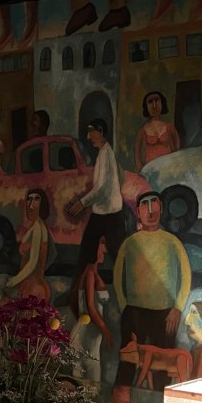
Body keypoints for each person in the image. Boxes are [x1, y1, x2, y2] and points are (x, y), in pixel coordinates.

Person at [110, 191, 191, 403]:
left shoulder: (172, 241)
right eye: (145, 205)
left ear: (161, 208)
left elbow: (186, 277)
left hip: (165, 315)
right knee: (127, 361)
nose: (151, 210)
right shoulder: (130, 242)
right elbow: (117, 277)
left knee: (162, 367)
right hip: (134, 312)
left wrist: (178, 308)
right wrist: (125, 307)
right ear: (138, 211)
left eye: (154, 204)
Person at [69, 119, 126, 292]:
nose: (88, 136)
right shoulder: (105, 153)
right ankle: (75, 293)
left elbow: (101, 188)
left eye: (91, 131)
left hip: (110, 215)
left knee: (119, 258)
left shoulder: (106, 154)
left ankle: (129, 294)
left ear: (100, 131)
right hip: (103, 213)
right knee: (87, 255)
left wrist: (82, 203)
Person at [69, 236, 113, 382]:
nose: (105, 250)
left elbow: (76, 304)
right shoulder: (89, 273)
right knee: (90, 380)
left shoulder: (92, 272)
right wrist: (106, 330)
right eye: (102, 243)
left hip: (89, 332)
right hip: (86, 334)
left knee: (89, 380)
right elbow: (90, 306)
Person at [6, 189, 53, 301]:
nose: (31, 206)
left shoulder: (37, 227)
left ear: (42, 205)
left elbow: (33, 261)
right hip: (32, 285)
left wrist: (14, 280)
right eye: (29, 200)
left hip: (33, 287)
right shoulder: (37, 226)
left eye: (36, 200)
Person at [134, 90, 180, 169]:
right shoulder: (142, 131)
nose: (154, 105)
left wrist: (175, 166)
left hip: (168, 169)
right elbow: (137, 156)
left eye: (157, 100)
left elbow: (177, 150)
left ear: (162, 103)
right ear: (146, 106)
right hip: (151, 171)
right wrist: (142, 172)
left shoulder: (170, 127)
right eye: (150, 102)